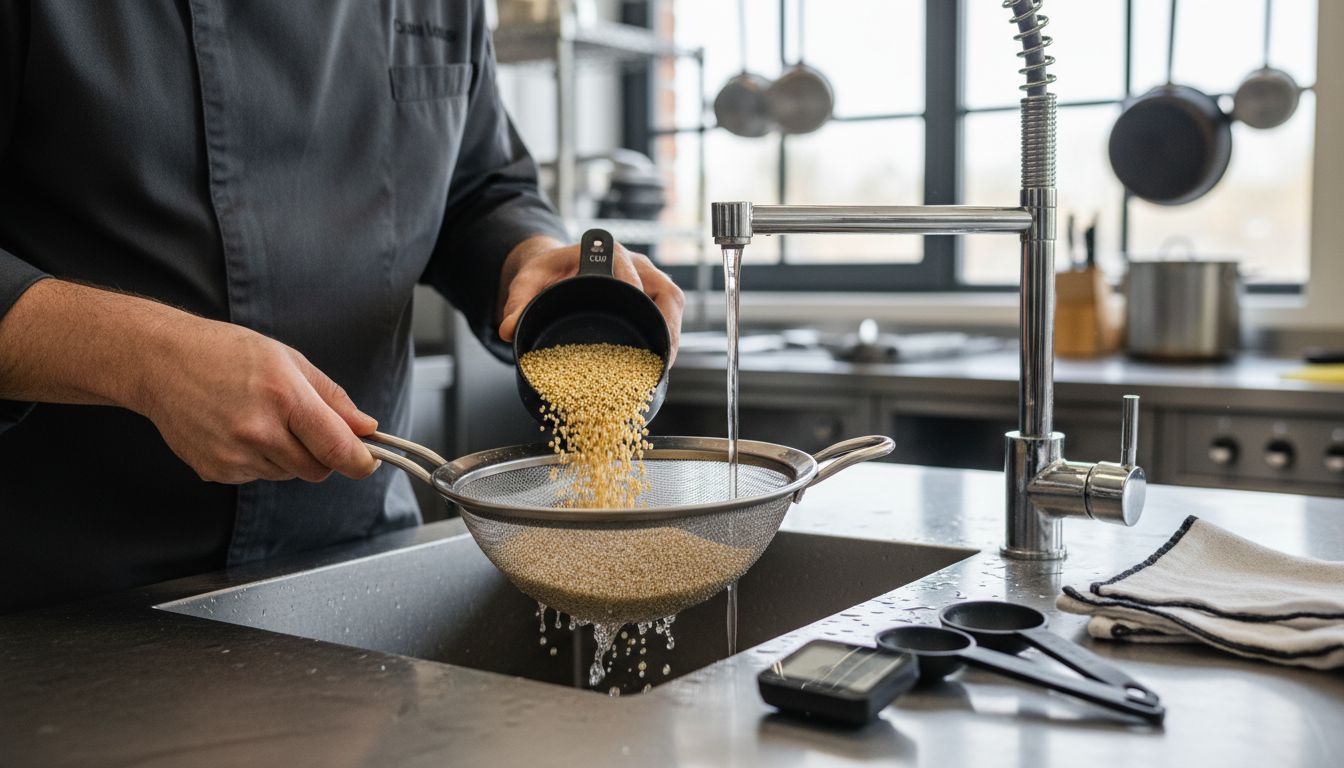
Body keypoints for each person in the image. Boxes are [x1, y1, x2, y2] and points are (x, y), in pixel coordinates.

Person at [0, 2, 683, 614]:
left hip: (356, 564)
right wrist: (143, 358)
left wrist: (526, 256)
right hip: (69, 597)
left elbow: (478, 188)